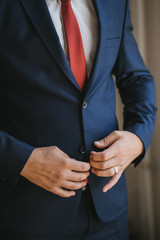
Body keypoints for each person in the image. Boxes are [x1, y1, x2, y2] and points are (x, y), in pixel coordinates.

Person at [0, 0, 157, 239]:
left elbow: (136, 78)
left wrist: (137, 137)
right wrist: (24, 160)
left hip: (109, 212)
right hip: (28, 215)